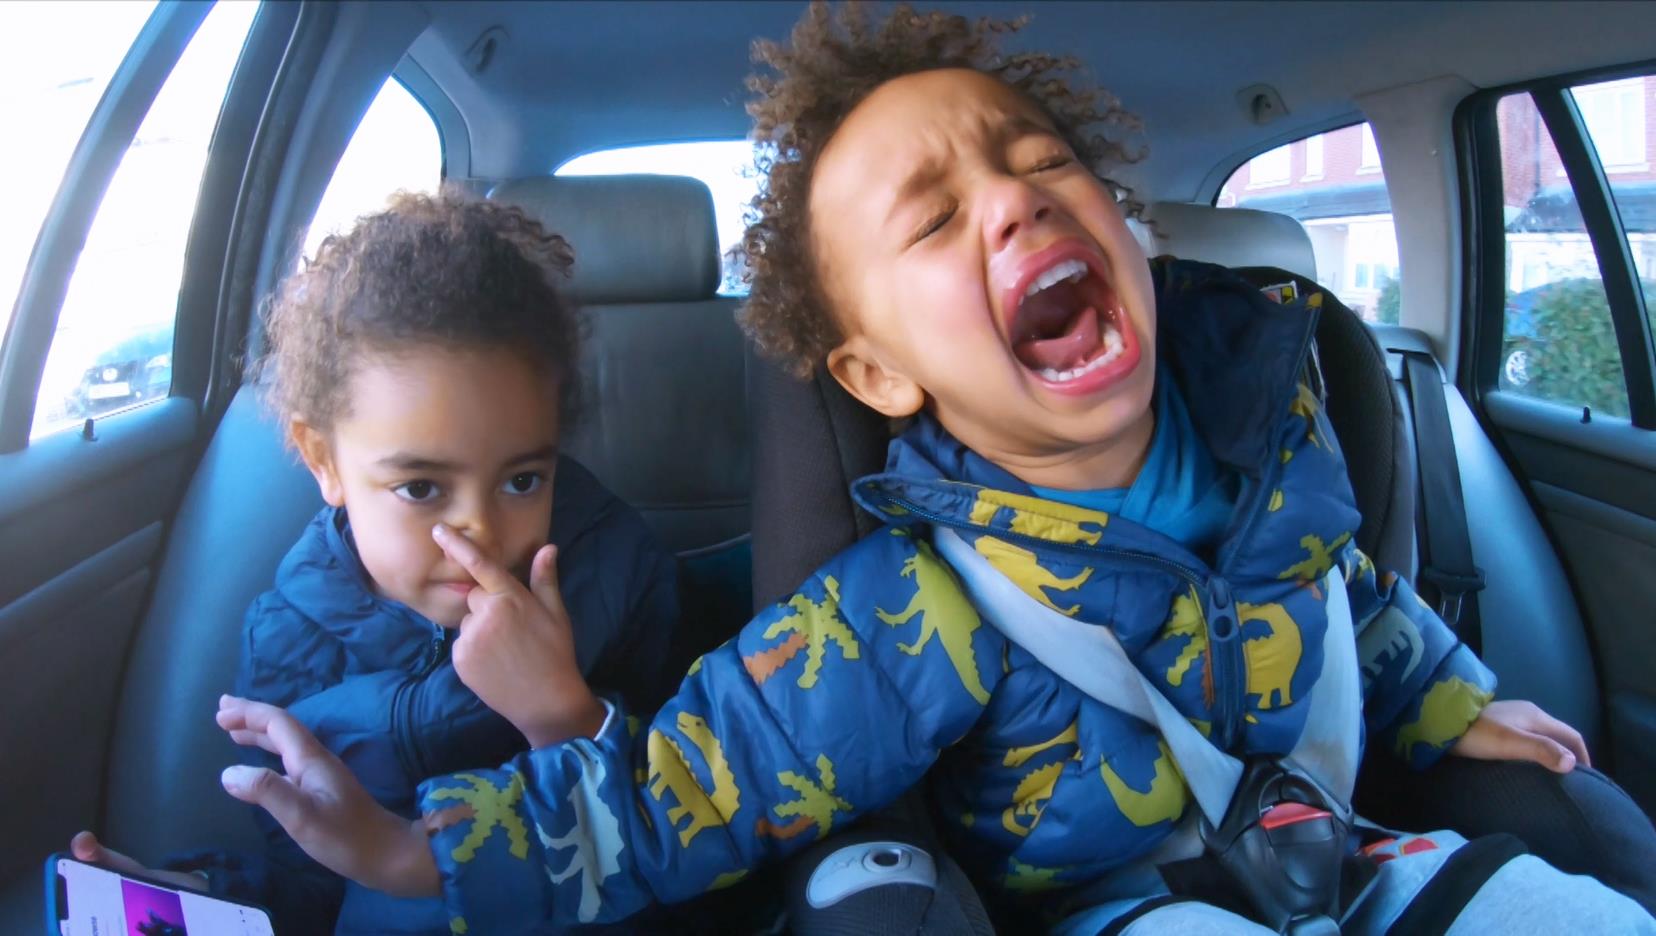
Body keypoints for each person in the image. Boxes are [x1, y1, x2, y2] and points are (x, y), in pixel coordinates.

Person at [210, 5, 1654, 933]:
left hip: (1357, 852)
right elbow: (686, 786)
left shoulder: (1281, 443)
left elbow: (1346, 602)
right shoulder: (902, 611)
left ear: (1132, 231)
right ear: (879, 376)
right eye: (933, 216)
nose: (1014, 197)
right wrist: (412, 858)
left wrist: (1457, 701)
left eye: (1038, 159)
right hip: (1124, 908)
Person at [69, 190, 680, 935]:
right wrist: (196, 892)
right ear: (323, 460)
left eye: (523, 479)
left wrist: (561, 716)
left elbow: (686, 833)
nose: (481, 531)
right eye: (421, 488)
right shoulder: (291, 640)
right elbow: (317, 879)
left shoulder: (613, 578)